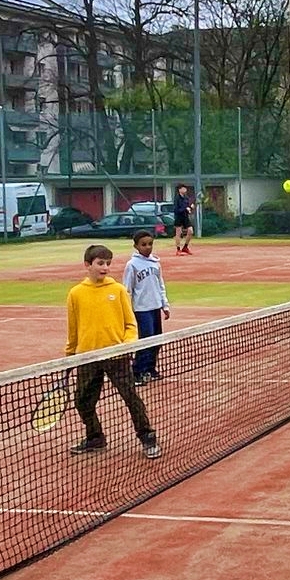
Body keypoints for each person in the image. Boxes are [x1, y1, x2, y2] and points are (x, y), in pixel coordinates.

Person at [65, 243, 161, 459]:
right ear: (87, 265)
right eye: (100, 263)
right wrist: (70, 355)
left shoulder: (118, 290)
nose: (105, 267)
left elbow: (130, 324)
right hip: (87, 356)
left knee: (130, 397)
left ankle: (147, 437)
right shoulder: (76, 294)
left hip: (117, 357)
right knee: (82, 401)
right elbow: (73, 328)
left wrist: (126, 345)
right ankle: (95, 437)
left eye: (108, 263)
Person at [123, 230, 170, 384]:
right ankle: (138, 371)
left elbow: (160, 284)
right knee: (145, 340)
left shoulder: (156, 263)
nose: (147, 247)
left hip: (155, 307)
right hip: (142, 309)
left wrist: (165, 304)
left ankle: (150, 368)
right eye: (143, 244)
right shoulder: (132, 265)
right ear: (136, 246)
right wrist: (127, 310)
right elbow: (127, 289)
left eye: (150, 244)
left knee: (156, 340)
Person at [171, 183, 194, 255]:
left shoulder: (186, 198)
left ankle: (185, 247)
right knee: (178, 233)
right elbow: (176, 210)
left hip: (185, 217)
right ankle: (178, 250)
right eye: (183, 188)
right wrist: (185, 209)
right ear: (179, 190)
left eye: (185, 188)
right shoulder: (177, 198)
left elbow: (187, 207)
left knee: (190, 231)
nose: (185, 189)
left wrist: (190, 208)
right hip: (179, 217)